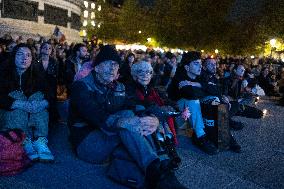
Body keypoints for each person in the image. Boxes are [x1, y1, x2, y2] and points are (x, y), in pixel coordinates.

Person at [68, 45, 187, 189]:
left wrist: (156, 118)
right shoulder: (81, 86)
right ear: (97, 67)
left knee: (133, 115)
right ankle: (158, 168)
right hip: (88, 142)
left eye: (116, 65)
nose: (113, 68)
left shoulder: (118, 87)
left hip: (111, 138)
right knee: (126, 118)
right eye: (108, 63)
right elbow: (95, 115)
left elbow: (140, 104)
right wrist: (123, 122)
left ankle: (157, 170)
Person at [168, 51, 240, 155]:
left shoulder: (200, 75)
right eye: (196, 64)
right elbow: (190, 93)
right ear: (187, 67)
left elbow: (216, 89)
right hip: (180, 110)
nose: (200, 66)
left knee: (215, 98)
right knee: (193, 100)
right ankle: (200, 137)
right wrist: (203, 88)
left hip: (195, 107)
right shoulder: (180, 78)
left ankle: (225, 136)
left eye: (200, 64)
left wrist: (196, 84)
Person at [0, 44, 54, 162]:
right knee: (17, 95)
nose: (24, 58)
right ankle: (24, 139)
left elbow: (50, 93)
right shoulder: (4, 71)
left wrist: (43, 103)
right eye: (20, 54)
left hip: (32, 113)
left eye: (28, 55)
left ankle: (40, 139)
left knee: (39, 97)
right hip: (10, 115)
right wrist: (18, 103)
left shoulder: (36, 73)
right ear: (14, 56)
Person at [125, 60, 181, 167]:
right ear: (134, 75)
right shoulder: (130, 88)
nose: (145, 75)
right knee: (155, 115)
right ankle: (161, 147)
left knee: (160, 113)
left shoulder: (153, 88)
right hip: (141, 117)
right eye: (141, 72)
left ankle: (168, 145)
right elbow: (138, 105)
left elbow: (167, 101)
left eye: (148, 72)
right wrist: (160, 111)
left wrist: (174, 108)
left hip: (157, 115)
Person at [34, 42, 59, 124]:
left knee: (50, 104)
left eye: (49, 48)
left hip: (51, 87)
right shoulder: (35, 60)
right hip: (38, 86)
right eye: (45, 47)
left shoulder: (54, 62)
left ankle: (51, 120)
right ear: (41, 49)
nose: (47, 49)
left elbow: (57, 75)